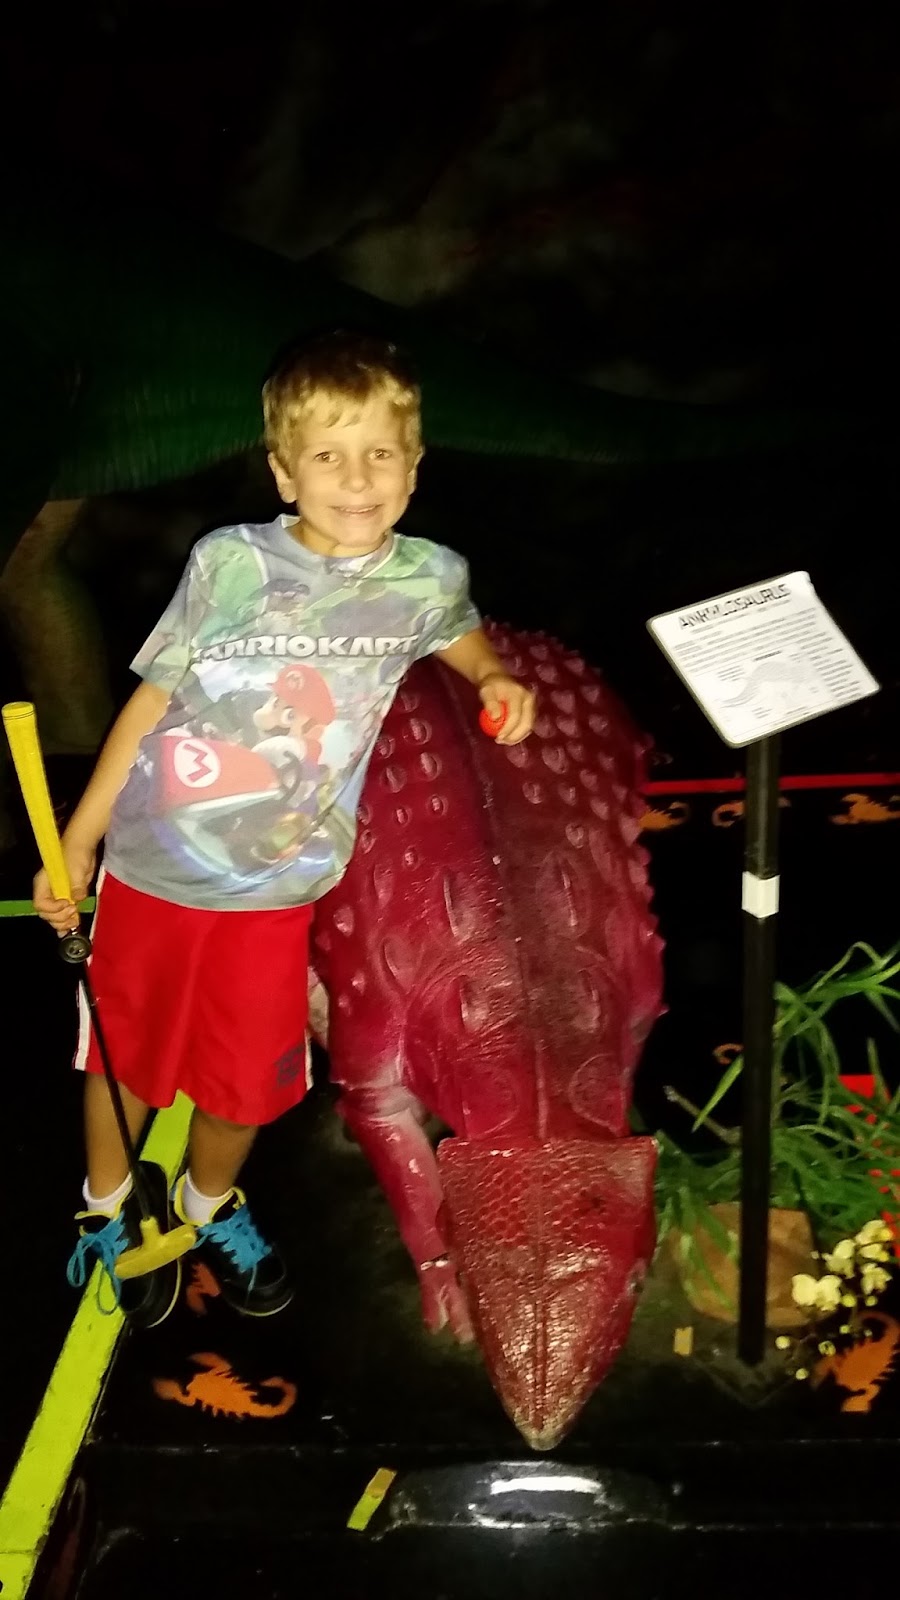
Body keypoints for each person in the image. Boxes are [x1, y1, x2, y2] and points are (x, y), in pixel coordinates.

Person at [33, 329, 536, 1329]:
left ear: (414, 464)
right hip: (156, 868)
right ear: (283, 470)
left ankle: (207, 1205)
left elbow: (454, 627)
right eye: (328, 455)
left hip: (278, 889)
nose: (357, 478)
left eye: (380, 452)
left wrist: (491, 675)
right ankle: (104, 1205)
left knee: (248, 1081)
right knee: (125, 1061)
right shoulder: (231, 563)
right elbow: (150, 701)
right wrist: (81, 838)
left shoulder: (427, 577)